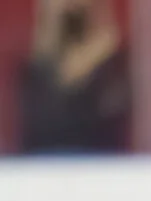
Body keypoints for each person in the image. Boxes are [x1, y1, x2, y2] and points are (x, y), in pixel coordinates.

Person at [17, 0, 129, 154]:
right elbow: (40, 125)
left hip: (97, 160)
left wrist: (96, 56)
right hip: (46, 160)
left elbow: (109, 118)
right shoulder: (35, 72)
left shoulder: (115, 66)